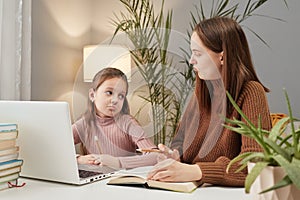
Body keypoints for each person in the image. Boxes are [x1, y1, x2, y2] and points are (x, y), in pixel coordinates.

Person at [147, 17, 272, 187]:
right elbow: (180, 142)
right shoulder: (202, 93)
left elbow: (254, 165)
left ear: (222, 57)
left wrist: (196, 171)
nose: (191, 60)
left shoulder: (251, 92)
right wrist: (175, 155)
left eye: (198, 53)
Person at [72, 67, 158, 169]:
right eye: (109, 92)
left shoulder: (128, 123)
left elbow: (156, 156)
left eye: (121, 96)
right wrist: (78, 159)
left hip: (123, 182)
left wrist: (118, 162)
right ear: (92, 95)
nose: (115, 100)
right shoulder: (84, 124)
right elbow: (53, 148)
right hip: (94, 182)